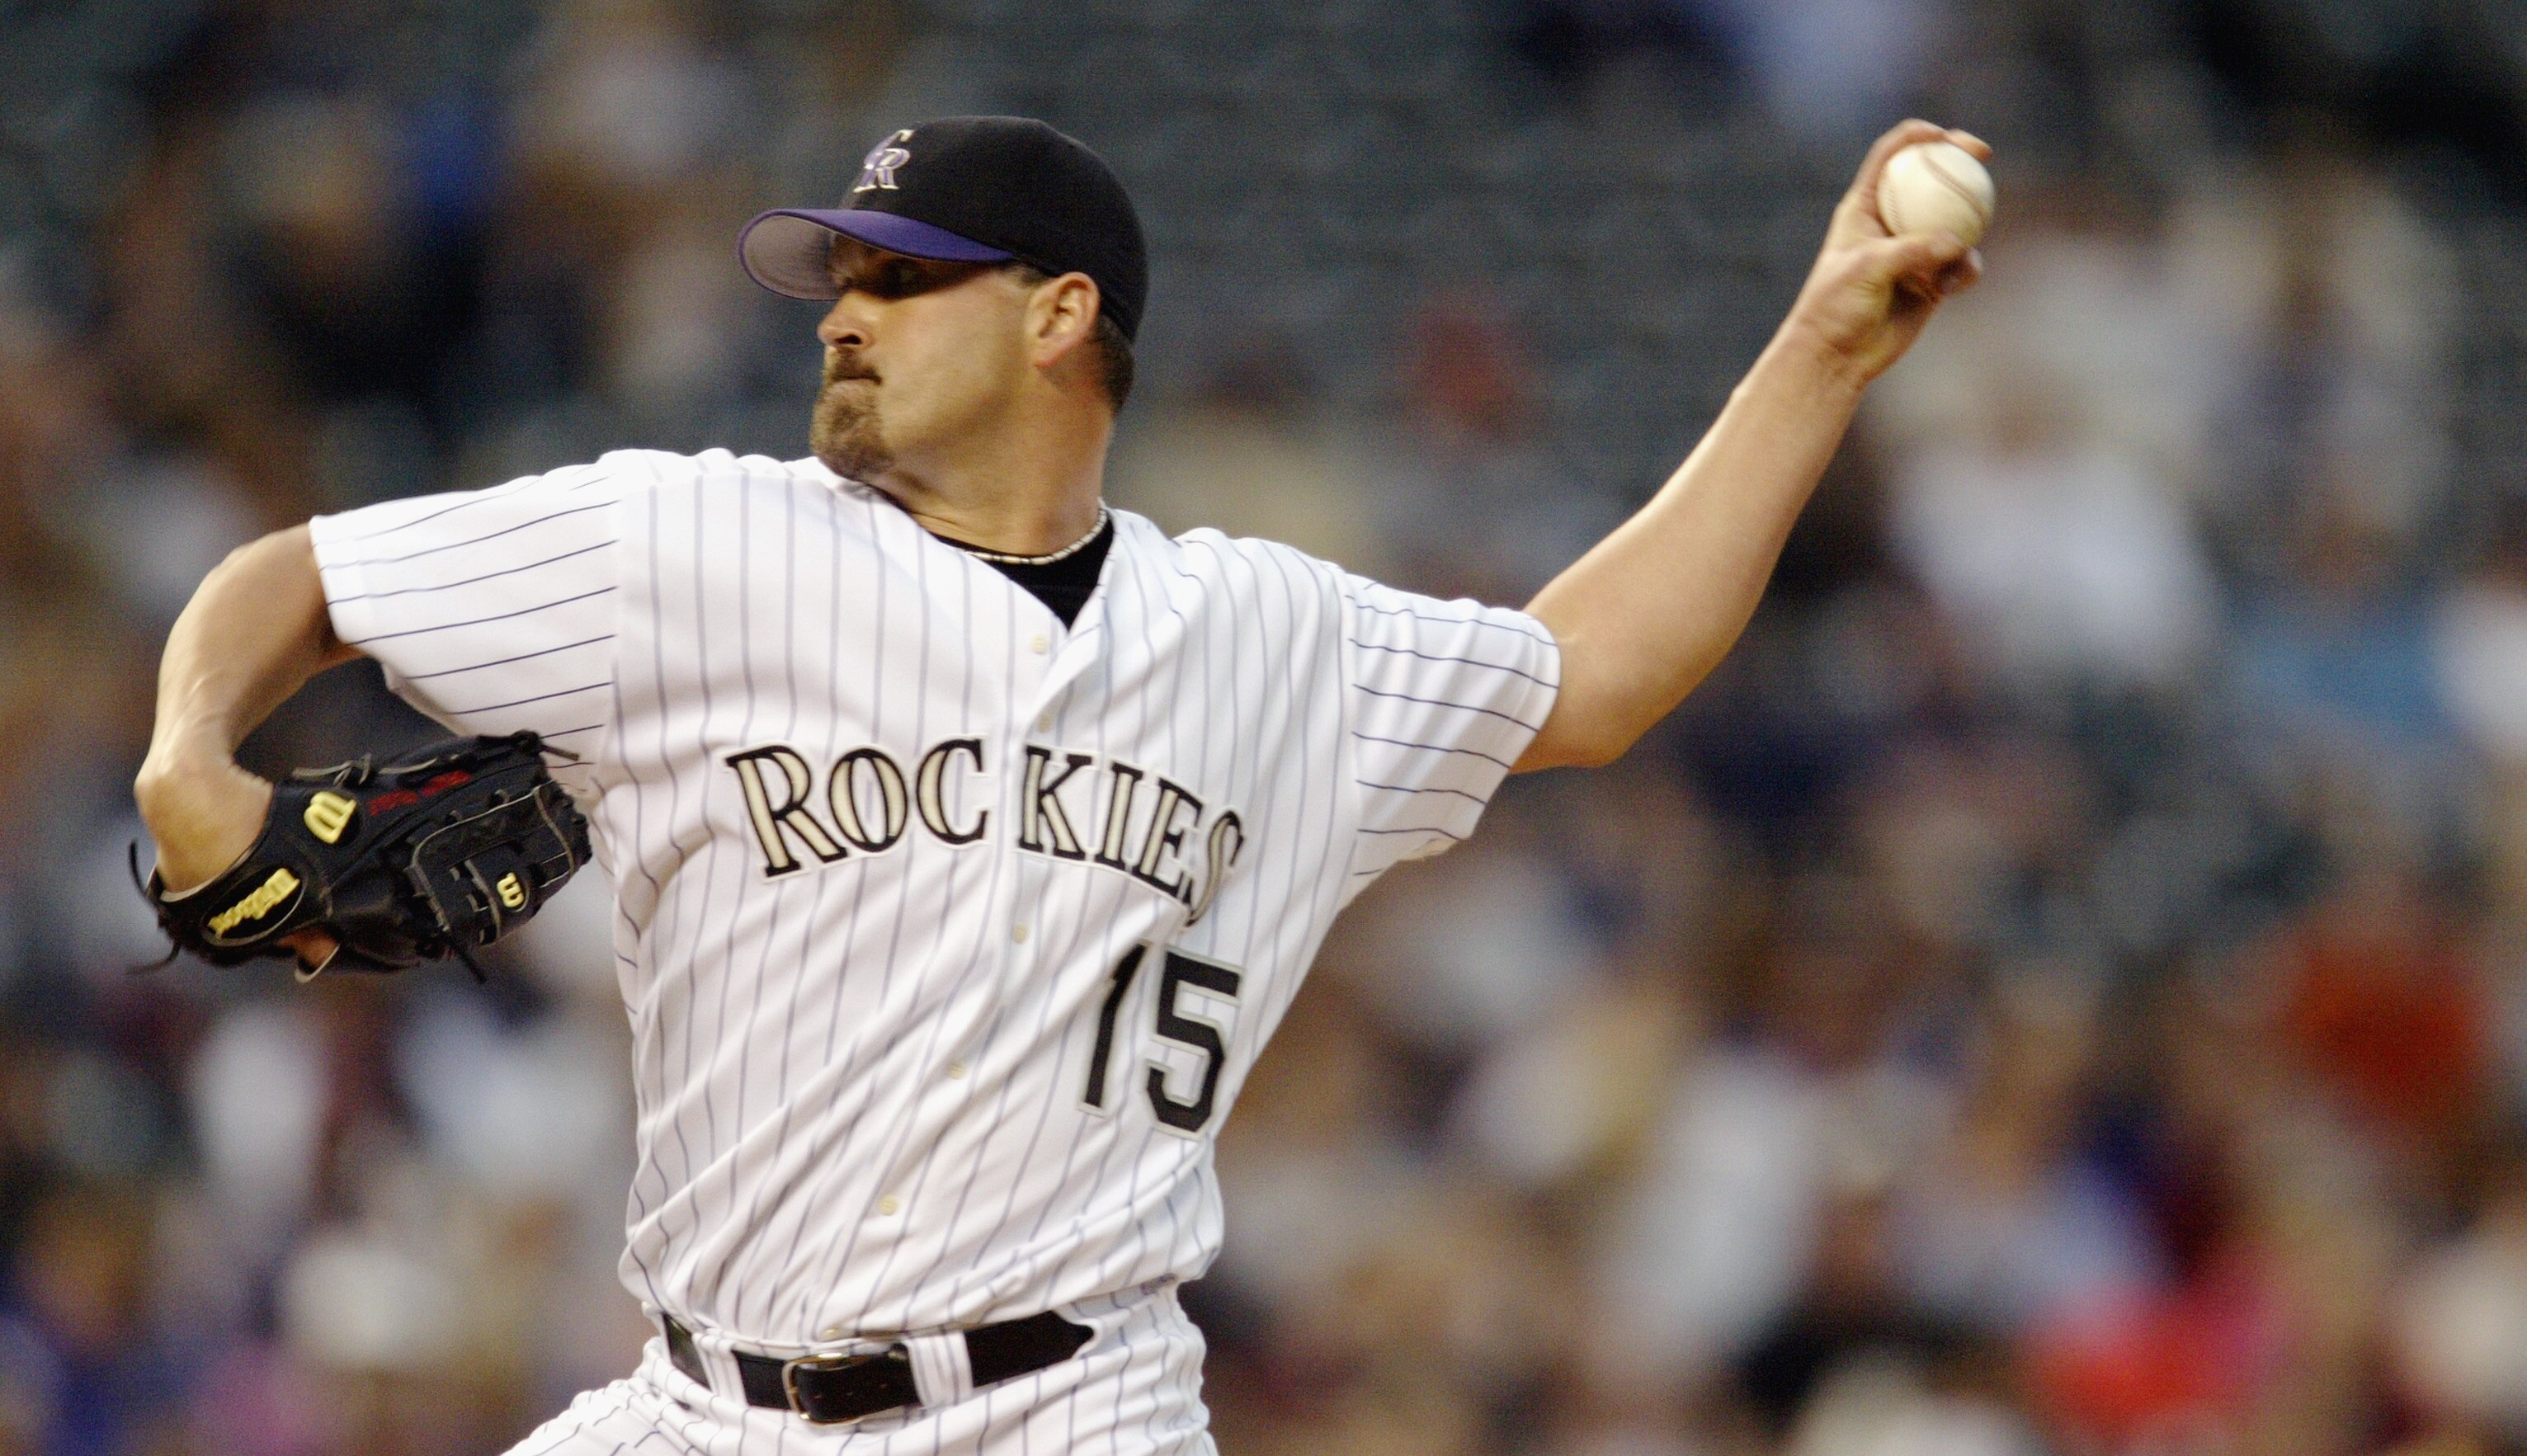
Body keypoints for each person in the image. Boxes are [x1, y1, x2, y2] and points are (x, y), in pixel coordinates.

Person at [130, 114, 1982, 1451]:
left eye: (904, 279)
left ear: (1055, 318)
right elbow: (299, 576)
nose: (843, 314)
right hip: (696, 1407)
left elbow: (1591, 672)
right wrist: (187, 757)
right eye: (837, 277)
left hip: (1069, 1408)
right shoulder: (693, 541)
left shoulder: (1269, 640)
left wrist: (1821, 348)